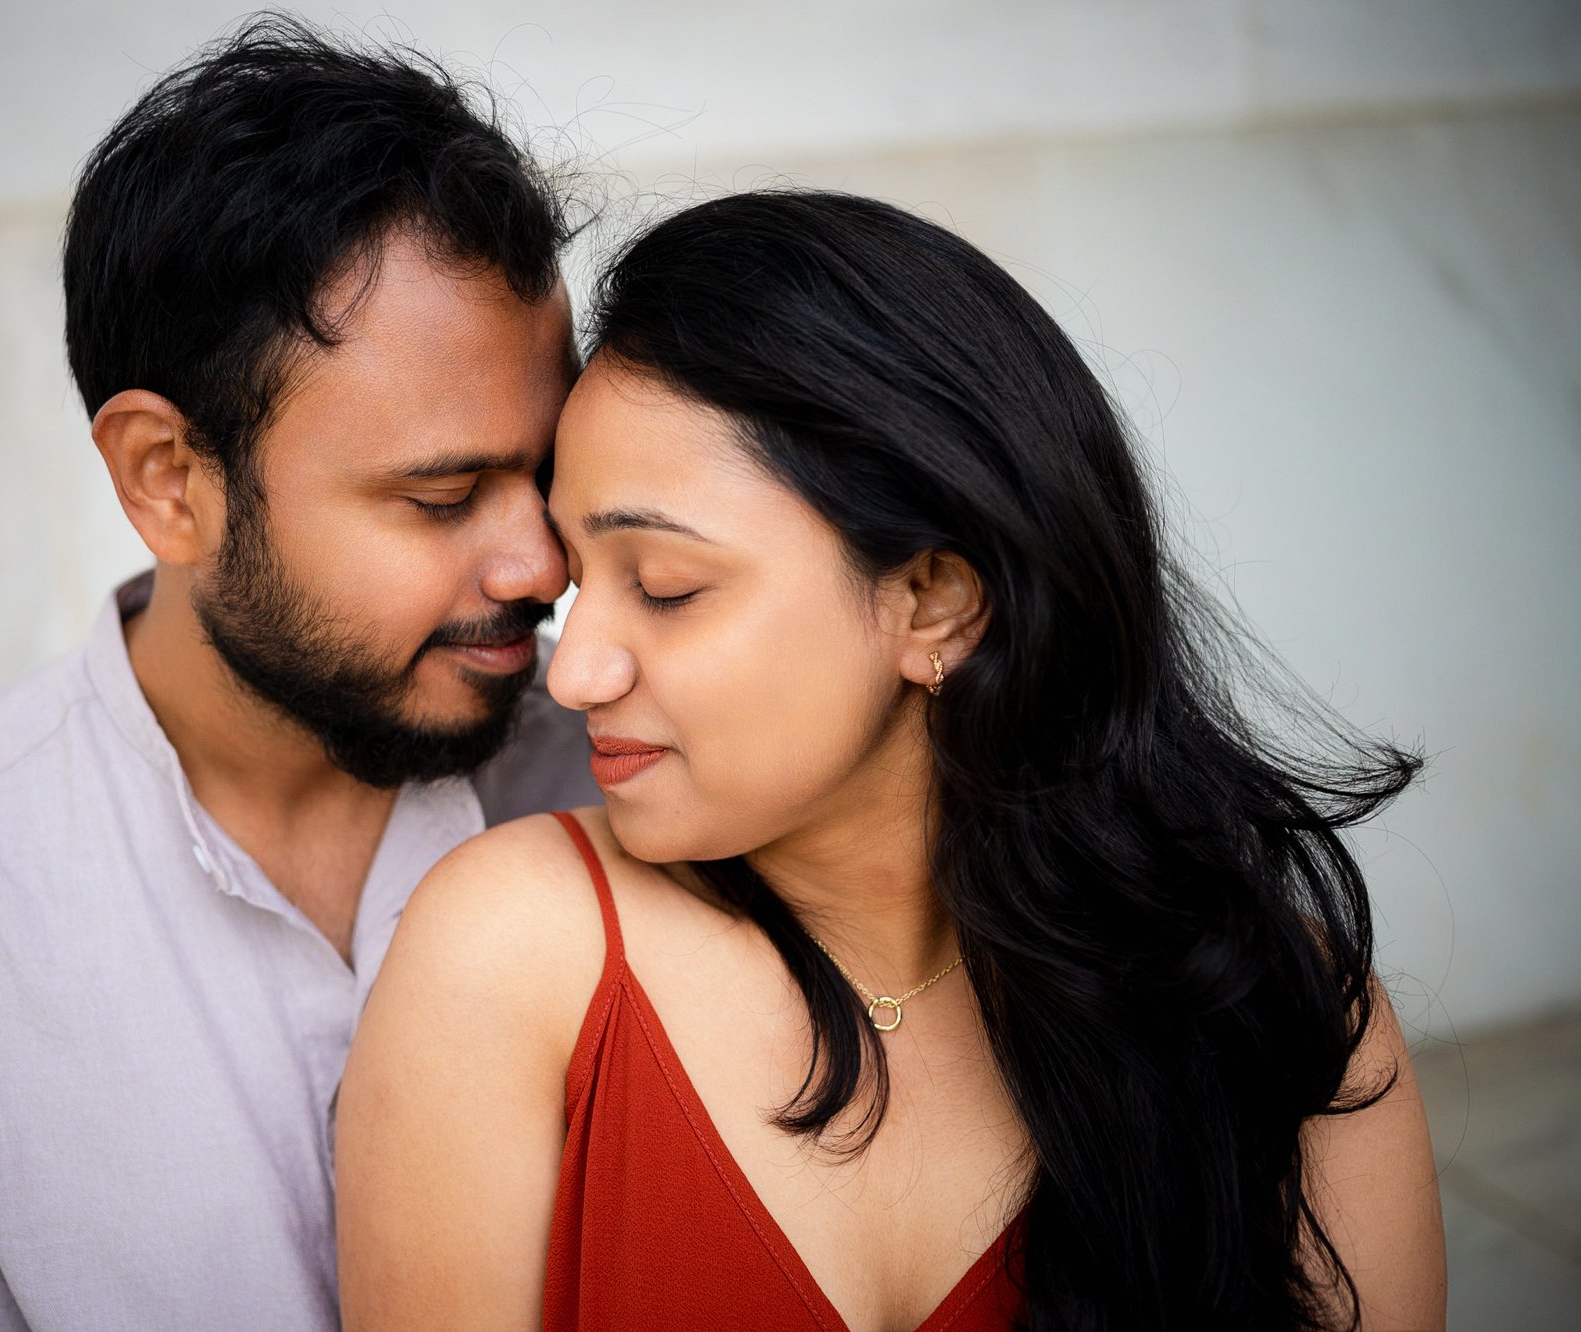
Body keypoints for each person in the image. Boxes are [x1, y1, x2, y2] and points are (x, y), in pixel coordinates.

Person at [335, 191, 1448, 1331]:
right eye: (581, 582)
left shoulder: (1274, 1007)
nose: (573, 676)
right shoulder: (513, 948)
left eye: (664, 589)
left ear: (932, 601)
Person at [0, 16, 598, 1331]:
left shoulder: (640, 778)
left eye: (547, 474)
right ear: (168, 480)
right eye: (440, 496)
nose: (541, 566)